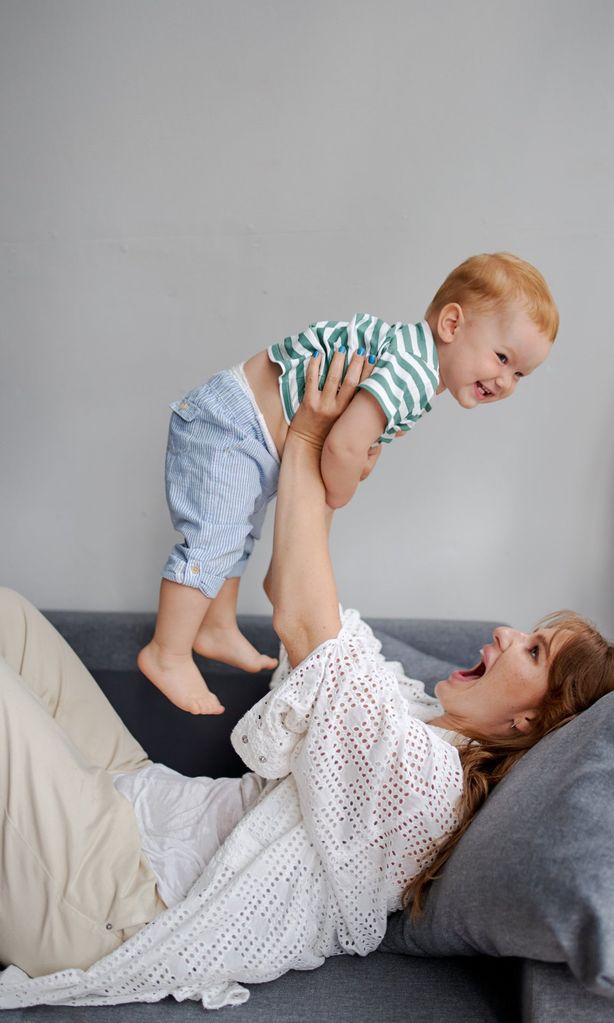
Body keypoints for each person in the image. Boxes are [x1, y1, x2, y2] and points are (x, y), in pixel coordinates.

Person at [3, 352, 610, 1013]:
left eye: (532, 650)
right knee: (11, 617)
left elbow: (301, 617)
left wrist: (308, 437)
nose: (501, 636)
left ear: (532, 720)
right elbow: (291, 592)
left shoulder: (429, 784)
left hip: (118, 893)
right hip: (145, 801)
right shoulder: (408, 705)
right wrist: (326, 466)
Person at [138, 252, 559, 715]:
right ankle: (168, 652)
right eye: (502, 358)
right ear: (452, 325)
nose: (505, 382)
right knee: (214, 538)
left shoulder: (410, 358)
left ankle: (215, 627)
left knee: (237, 533)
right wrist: (346, 486)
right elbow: (341, 447)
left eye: (520, 374)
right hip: (231, 425)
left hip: (246, 428)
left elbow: (346, 434)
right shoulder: (415, 375)